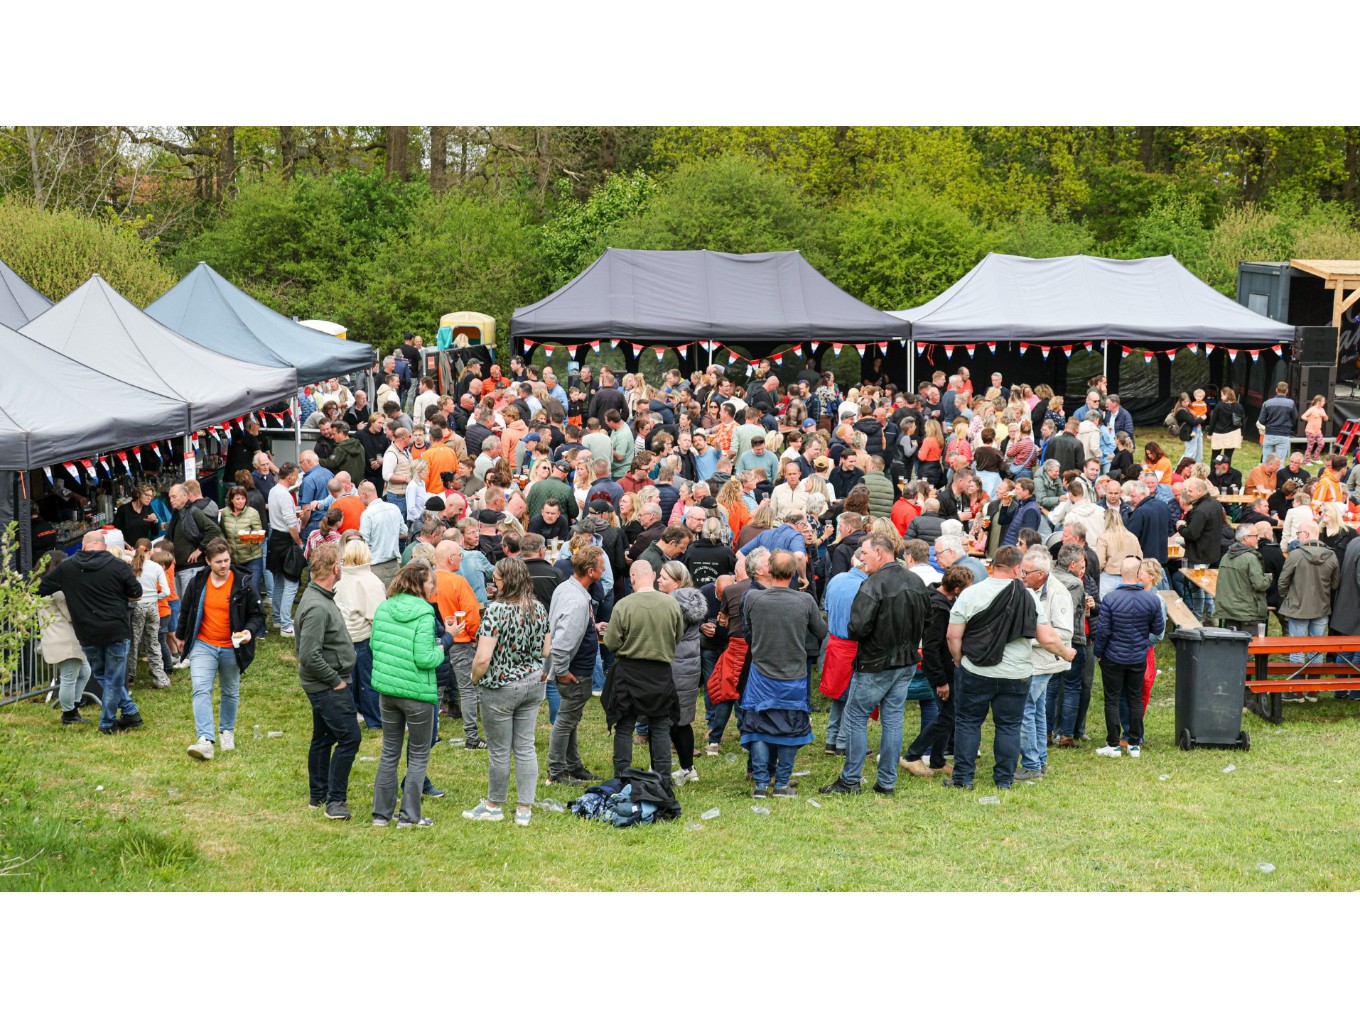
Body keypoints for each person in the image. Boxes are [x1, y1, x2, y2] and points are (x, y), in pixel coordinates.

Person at [943, 544, 1075, 791]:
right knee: (1009, 726)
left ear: (993, 566)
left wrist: (959, 660)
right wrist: (1066, 652)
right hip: (1017, 674)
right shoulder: (1028, 597)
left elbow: (953, 636)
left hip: (976, 670)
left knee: (968, 723)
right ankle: (1004, 780)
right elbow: (1047, 638)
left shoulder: (970, 594)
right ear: (1017, 568)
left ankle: (963, 779)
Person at [819, 533, 930, 796]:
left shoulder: (873, 585)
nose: (861, 559)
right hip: (905, 662)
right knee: (893, 719)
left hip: (876, 663)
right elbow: (928, 620)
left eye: (865, 554)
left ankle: (850, 780)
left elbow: (857, 628)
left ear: (880, 553)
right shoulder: (915, 581)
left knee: (856, 716)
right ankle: (886, 782)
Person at [462, 557, 550, 826]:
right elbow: (547, 651)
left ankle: (494, 805)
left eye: (496, 579)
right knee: (525, 747)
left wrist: (474, 679)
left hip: (499, 686)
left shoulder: (495, 611)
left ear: (506, 581)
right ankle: (524, 808)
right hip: (532, 683)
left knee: (499, 751)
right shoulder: (538, 608)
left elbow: (482, 658)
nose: (494, 583)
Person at [39, 530, 144, 735]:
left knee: (103, 675)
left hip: (86, 631)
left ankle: (130, 713)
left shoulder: (66, 568)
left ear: (83, 546)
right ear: (103, 546)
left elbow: (40, 588)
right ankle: (108, 723)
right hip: (116, 629)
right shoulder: (119, 566)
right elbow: (137, 595)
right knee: (112, 677)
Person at [742, 549, 828, 797]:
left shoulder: (753, 599)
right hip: (794, 675)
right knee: (790, 728)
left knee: (758, 727)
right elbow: (821, 631)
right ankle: (781, 783)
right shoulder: (804, 601)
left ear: (769, 569)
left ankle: (760, 784)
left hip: (761, 673)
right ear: (793, 573)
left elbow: (749, 627)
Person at [172, 538, 266, 762]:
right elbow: (186, 609)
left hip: (231, 647)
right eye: (218, 562)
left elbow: (258, 614)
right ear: (208, 561)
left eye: (226, 560)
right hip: (203, 644)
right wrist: (181, 635)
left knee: (230, 691)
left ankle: (227, 731)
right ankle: (205, 739)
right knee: (200, 689)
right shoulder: (199, 581)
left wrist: (249, 632)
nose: (224, 565)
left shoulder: (243, 582)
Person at [371, 562, 447, 828]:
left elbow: (374, 644)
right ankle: (410, 816)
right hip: (417, 693)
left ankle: (381, 814)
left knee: (389, 751)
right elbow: (425, 658)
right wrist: (444, 645)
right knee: (417, 755)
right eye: (430, 583)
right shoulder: (425, 614)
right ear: (419, 584)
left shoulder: (384, 607)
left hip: (388, 690)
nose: (433, 587)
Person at [602, 559, 687, 778]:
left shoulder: (623, 605)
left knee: (625, 726)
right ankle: (663, 777)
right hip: (660, 672)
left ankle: (622, 774)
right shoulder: (671, 604)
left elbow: (611, 643)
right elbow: (677, 636)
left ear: (632, 578)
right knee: (659, 726)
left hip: (629, 671)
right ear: (653, 575)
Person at [1091, 556, 1165, 757]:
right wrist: (1141, 642)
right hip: (1137, 656)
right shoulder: (1152, 599)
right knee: (1135, 698)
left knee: (1112, 699)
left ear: (1122, 573)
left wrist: (1098, 653)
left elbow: (1104, 631)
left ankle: (1113, 743)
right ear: (1138, 573)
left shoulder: (1111, 598)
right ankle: (1134, 743)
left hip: (1113, 656)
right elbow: (1157, 629)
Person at [546, 544, 607, 786]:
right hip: (574, 672)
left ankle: (573, 765)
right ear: (591, 571)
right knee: (565, 721)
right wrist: (562, 672)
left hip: (574, 669)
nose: (604, 570)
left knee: (570, 720)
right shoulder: (577, 601)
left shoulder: (567, 588)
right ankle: (557, 771)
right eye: (602, 567)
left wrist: (593, 627)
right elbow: (561, 643)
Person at [1016, 545, 1073, 782]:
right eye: (1021, 571)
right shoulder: (1034, 587)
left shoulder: (1058, 593)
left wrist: (1028, 637)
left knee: (1025, 711)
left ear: (1041, 573)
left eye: (1026, 572)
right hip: (1037, 662)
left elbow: (1063, 632)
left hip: (1045, 662)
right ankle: (1039, 762)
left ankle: (1031, 765)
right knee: (1037, 711)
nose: (1022, 576)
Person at [656, 560, 709, 785]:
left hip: (673, 665)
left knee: (662, 720)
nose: (658, 579)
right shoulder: (690, 601)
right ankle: (688, 768)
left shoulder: (672, 604)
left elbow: (664, 635)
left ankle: (659, 768)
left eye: (664, 577)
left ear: (677, 582)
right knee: (682, 719)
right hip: (688, 666)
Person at [1278, 520, 1341, 699]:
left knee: (1297, 649)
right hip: (1321, 607)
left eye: (1298, 533)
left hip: (1297, 607)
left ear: (1306, 534)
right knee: (1317, 649)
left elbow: (1283, 581)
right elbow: (1336, 583)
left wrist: (1288, 595)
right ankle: (1313, 689)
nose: (1297, 536)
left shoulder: (1295, 555)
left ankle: (1296, 691)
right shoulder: (1331, 555)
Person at [431, 539, 484, 737]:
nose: (461, 559)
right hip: (460, 643)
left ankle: (431, 733)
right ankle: (471, 734)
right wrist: (473, 637)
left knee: (434, 688)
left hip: (435, 642)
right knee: (468, 689)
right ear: (450, 558)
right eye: (460, 556)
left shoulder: (427, 581)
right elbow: (472, 614)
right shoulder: (458, 582)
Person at [334, 538, 386, 730]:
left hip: (341, 637)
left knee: (350, 680)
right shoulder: (370, 580)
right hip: (363, 637)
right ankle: (374, 719)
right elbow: (378, 614)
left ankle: (352, 713)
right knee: (368, 680)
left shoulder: (339, 577)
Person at [38, 552, 94, 726]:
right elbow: (71, 614)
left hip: (56, 637)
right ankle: (68, 714)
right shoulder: (57, 590)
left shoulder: (39, 586)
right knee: (70, 677)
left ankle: (73, 707)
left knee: (84, 672)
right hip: (65, 638)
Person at [266, 462, 304, 636]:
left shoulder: (274, 490)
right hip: (285, 539)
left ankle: (277, 619)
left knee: (279, 581)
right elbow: (291, 525)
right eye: (296, 475)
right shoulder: (285, 495)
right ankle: (286, 625)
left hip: (274, 538)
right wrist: (299, 542)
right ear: (289, 477)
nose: (297, 478)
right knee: (291, 582)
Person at [128, 538, 171, 690]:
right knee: (153, 641)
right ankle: (160, 677)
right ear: (150, 550)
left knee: (134, 641)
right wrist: (154, 598)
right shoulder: (156, 567)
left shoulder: (130, 566)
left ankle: (130, 676)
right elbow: (166, 591)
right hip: (153, 607)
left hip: (136, 606)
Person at [220, 485, 265, 600]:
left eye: (243, 498)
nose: (241, 501)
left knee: (253, 590)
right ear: (231, 500)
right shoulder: (224, 513)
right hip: (234, 560)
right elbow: (221, 533)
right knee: (237, 592)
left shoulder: (252, 513)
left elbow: (259, 535)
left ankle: (257, 614)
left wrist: (247, 537)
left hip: (252, 557)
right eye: (237, 499)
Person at [358, 480, 406, 586]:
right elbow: (405, 532)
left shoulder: (367, 514)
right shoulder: (394, 508)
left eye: (359, 496)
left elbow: (363, 543)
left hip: (375, 567)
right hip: (394, 565)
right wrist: (390, 536)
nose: (359, 499)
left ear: (364, 494)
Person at [1258, 380, 1299, 466]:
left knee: (1266, 460)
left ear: (1276, 390)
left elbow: (1261, 420)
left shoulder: (1267, 403)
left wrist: (1269, 424)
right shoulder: (1291, 403)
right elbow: (1295, 417)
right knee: (1280, 461)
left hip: (1270, 433)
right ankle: (1278, 479)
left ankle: (1265, 478)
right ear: (1287, 391)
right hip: (1283, 434)